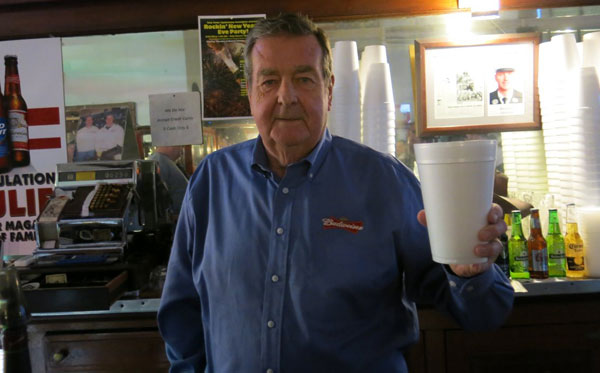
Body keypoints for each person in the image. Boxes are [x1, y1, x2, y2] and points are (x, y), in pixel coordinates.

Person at [158, 13, 513, 373]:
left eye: (304, 79)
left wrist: (470, 273)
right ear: (250, 93)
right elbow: (181, 313)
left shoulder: (385, 181)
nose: (287, 97)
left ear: (328, 91)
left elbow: (484, 313)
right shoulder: (210, 181)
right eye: (269, 81)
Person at [148, 145, 189, 217]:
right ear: (170, 145)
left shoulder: (164, 161)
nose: (181, 150)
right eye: (179, 146)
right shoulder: (159, 161)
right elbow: (158, 197)